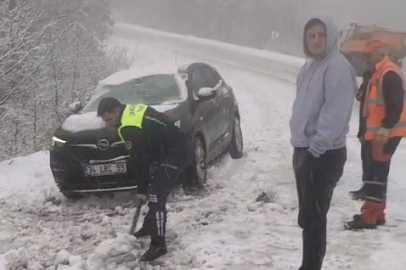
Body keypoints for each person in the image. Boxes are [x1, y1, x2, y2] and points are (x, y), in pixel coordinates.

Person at [289, 13, 357, 270]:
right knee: (308, 216)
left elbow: (335, 115)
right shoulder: (309, 67)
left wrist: (314, 151)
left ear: (331, 36)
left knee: (315, 219)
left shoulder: (337, 67)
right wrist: (300, 148)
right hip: (304, 149)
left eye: (321, 35)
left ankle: (311, 267)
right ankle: (308, 264)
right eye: (312, 36)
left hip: (323, 153)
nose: (316, 40)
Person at [97, 97, 193, 261]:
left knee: (156, 194)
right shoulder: (131, 111)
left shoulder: (129, 127)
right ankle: (149, 227)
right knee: (154, 188)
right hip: (168, 150)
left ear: (117, 110)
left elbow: (139, 159)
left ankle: (159, 245)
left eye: (109, 119)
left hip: (177, 152)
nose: (108, 124)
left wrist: (141, 190)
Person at [345, 45, 406, 230]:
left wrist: (385, 128)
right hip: (380, 133)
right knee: (378, 174)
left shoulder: (388, 73)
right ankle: (377, 214)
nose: (366, 59)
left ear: (378, 54)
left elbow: (395, 105)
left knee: (375, 176)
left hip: (385, 134)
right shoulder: (379, 73)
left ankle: (369, 216)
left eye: (369, 55)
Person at [348, 69, 373, 201]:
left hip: (375, 130)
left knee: (373, 160)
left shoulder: (383, 78)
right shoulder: (369, 80)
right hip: (366, 127)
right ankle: (367, 186)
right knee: (366, 157)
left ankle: (372, 189)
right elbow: (359, 97)